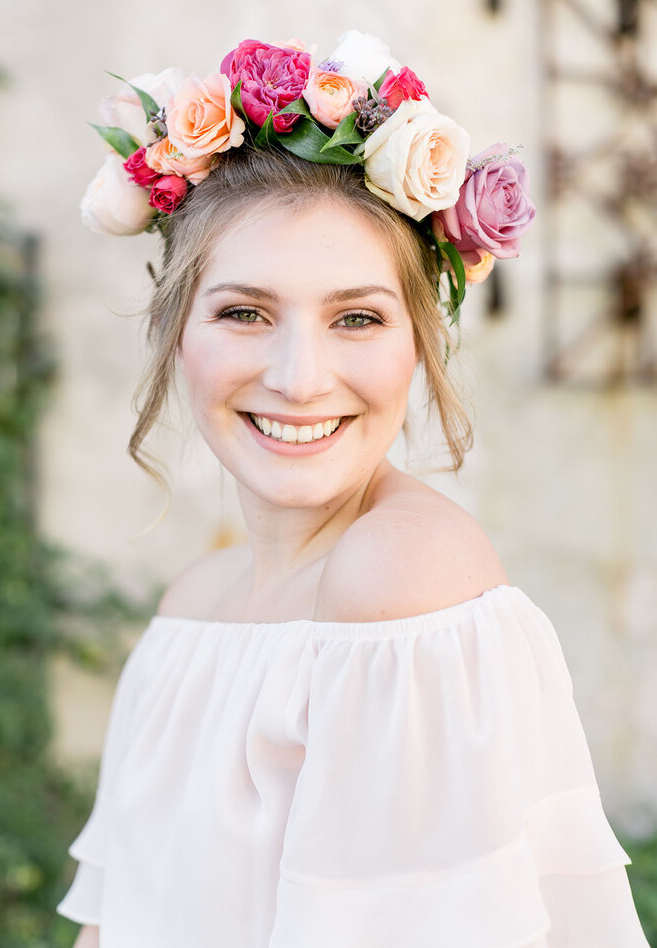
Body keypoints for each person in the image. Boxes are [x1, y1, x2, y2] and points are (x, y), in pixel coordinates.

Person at [57, 32, 650, 948]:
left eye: (358, 318)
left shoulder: (399, 582)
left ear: (418, 343)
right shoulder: (193, 611)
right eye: (244, 313)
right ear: (179, 332)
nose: (299, 378)